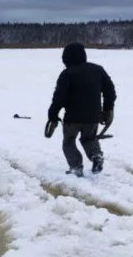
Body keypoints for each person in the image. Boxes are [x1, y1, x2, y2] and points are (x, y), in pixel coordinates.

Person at [47, 42, 116, 177]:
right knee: (89, 139)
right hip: (93, 116)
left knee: (69, 142)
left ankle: (76, 167)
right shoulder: (98, 70)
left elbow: (59, 98)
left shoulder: (67, 74)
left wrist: (52, 114)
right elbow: (110, 91)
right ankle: (96, 156)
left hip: (72, 117)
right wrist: (108, 108)